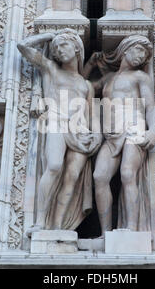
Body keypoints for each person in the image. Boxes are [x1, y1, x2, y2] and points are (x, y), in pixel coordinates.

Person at [17, 29, 101, 234]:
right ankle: (40, 221)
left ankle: (57, 226)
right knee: (54, 165)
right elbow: (23, 46)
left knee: (72, 177)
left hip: (80, 130)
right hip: (56, 121)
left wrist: (97, 133)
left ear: (77, 48)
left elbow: (92, 113)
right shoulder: (51, 69)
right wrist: (48, 36)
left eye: (63, 45)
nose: (58, 50)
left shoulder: (86, 84)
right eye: (55, 48)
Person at [84, 35, 155, 236]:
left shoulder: (140, 77)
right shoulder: (108, 79)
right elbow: (83, 86)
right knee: (99, 176)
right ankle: (105, 232)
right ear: (125, 50)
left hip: (133, 128)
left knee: (127, 174)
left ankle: (131, 229)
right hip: (111, 135)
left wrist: (152, 131)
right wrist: (91, 64)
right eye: (138, 50)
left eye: (144, 54)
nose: (141, 56)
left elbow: (151, 107)